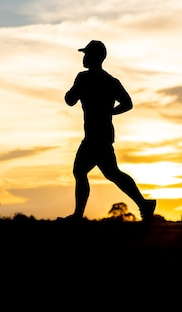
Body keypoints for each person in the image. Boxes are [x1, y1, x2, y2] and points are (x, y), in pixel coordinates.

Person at [64, 40, 156, 222]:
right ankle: (144, 204)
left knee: (82, 171)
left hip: (95, 136)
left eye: (87, 54)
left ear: (95, 57)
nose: (84, 57)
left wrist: (80, 90)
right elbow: (127, 103)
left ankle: (77, 216)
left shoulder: (84, 78)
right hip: (102, 134)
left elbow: (69, 100)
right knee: (111, 173)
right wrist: (110, 111)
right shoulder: (110, 81)